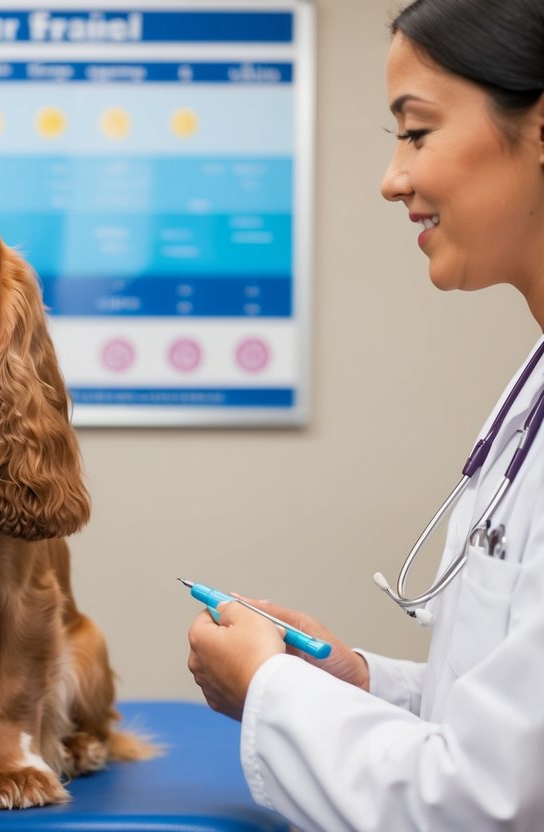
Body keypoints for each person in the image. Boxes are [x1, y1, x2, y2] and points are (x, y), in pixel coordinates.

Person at [185, 0, 544, 829]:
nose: (392, 178)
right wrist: (359, 682)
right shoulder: (528, 385)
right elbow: (506, 716)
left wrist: (266, 687)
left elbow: (485, 801)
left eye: (415, 132)